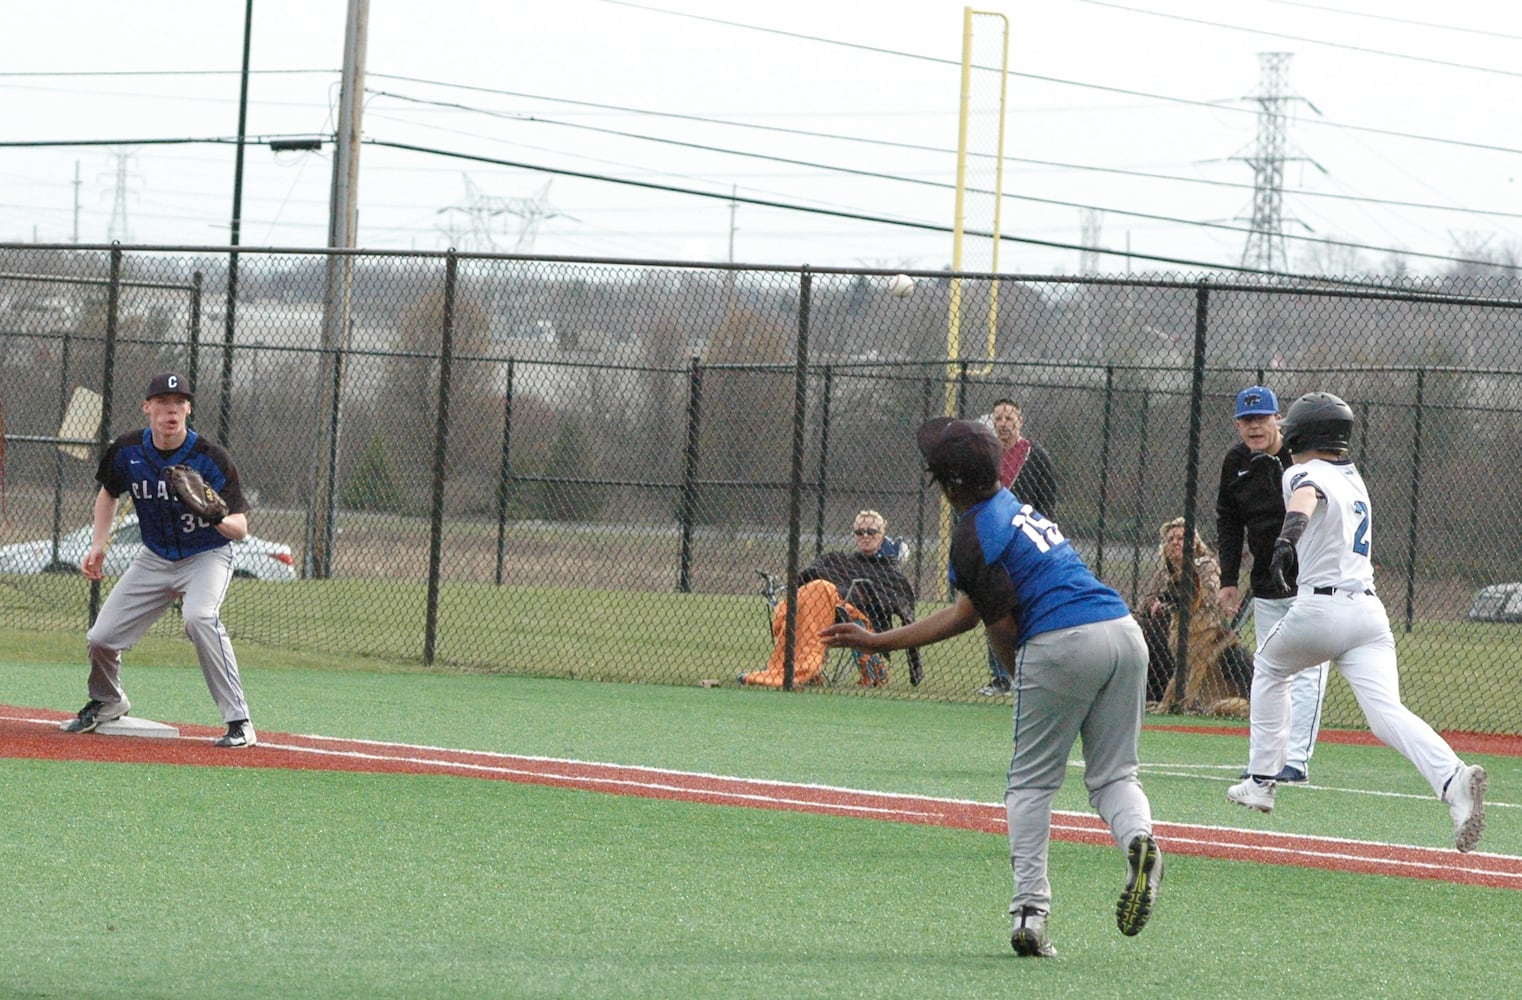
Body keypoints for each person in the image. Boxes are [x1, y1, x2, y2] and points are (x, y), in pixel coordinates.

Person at [822, 418, 1160, 957]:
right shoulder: (1014, 509)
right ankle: (1139, 841)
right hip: (1122, 631)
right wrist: (880, 641)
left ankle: (1030, 914)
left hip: (1060, 641)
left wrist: (1020, 672)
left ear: (951, 485)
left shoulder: (972, 533)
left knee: (1030, 785)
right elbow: (967, 612)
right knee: (1114, 775)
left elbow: (999, 627)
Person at [1227, 392, 1487, 852]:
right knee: (1386, 714)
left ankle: (1262, 781)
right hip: (1368, 613)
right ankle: (1453, 781)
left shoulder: (1299, 472)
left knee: (1268, 669)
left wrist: (1288, 537)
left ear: (1305, 433)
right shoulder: (1354, 477)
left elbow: (1305, 497)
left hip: (1322, 609)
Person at [59, 372, 258, 748]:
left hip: (206, 555)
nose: (172, 411)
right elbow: (108, 493)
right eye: (163, 403)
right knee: (101, 637)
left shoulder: (210, 458)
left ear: (188, 409)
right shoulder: (128, 450)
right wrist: (98, 543)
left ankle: (240, 721)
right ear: (147, 408)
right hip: (154, 557)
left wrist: (217, 516)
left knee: (200, 618)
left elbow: (241, 528)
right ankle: (109, 700)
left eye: (179, 403)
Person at [1216, 385, 1327, 782]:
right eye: (1247, 420)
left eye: (1261, 418)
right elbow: (1228, 521)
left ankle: (1295, 760)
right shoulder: (1236, 462)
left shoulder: (1300, 456)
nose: (1254, 427)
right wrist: (1229, 579)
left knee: (1309, 668)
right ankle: (1265, 762)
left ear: (1278, 418)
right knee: (1268, 671)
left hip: (1310, 579)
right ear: (1237, 424)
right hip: (1264, 581)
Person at [740, 509, 922, 688]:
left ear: (882, 535)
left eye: (871, 531)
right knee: (792, 603)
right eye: (860, 532)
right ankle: (790, 668)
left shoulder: (890, 573)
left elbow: (905, 613)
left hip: (857, 615)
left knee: (822, 587)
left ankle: (803, 669)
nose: (865, 535)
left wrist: (915, 669)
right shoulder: (839, 561)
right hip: (823, 610)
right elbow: (808, 576)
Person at [977, 396, 1060, 697]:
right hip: (993, 547)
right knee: (994, 608)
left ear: (1020, 421)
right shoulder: (986, 458)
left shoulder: (1036, 457)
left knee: (1027, 609)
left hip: (1025, 548)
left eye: (1009, 418)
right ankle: (1000, 677)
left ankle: (1030, 675)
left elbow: (1048, 506)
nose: (1003, 424)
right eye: (998, 418)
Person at [1136, 517, 1252, 716]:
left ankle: (1186, 704)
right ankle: (1155, 697)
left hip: (1200, 623)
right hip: (1169, 624)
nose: (1175, 542)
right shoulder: (1164, 571)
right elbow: (1145, 602)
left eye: (1181, 538)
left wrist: (1194, 598)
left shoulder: (1205, 565)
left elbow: (1210, 595)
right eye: (1170, 539)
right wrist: (1153, 603)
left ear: (1194, 543)